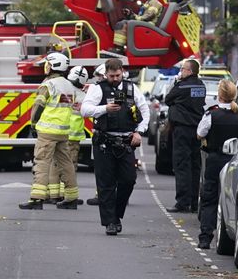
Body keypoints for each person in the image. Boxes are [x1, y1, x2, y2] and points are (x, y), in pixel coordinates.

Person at [81, 57, 148, 236]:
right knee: (106, 184)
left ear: (122, 72)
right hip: (104, 142)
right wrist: (104, 108)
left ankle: (116, 214)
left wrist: (139, 132)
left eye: (118, 75)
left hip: (126, 141)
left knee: (128, 179)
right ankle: (110, 222)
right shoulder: (97, 88)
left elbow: (144, 110)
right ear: (106, 74)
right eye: (112, 76)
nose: (115, 79)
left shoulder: (131, 88)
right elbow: (85, 110)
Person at [20, 52, 80, 210]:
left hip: (47, 132)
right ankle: (71, 198)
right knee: (66, 163)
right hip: (63, 133)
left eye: (47, 64)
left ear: (53, 66)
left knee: (41, 162)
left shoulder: (48, 85)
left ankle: (36, 199)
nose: (45, 67)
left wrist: (33, 124)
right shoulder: (69, 86)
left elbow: (38, 106)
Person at [196, 79, 238, 248]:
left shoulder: (211, 114)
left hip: (215, 159)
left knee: (209, 198)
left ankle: (205, 237)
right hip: (234, 161)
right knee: (231, 198)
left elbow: (200, 133)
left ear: (219, 95)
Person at [163, 57, 206, 213]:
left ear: (190, 71)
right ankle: (194, 202)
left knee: (182, 165)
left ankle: (182, 202)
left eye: (183, 69)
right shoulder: (201, 86)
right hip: (196, 130)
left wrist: (177, 83)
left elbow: (168, 99)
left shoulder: (181, 86)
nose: (180, 71)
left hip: (182, 129)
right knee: (195, 166)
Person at [59, 65, 90, 209]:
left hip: (60, 133)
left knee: (58, 164)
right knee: (70, 166)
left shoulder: (63, 92)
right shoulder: (84, 96)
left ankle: (57, 194)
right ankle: (69, 195)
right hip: (73, 137)